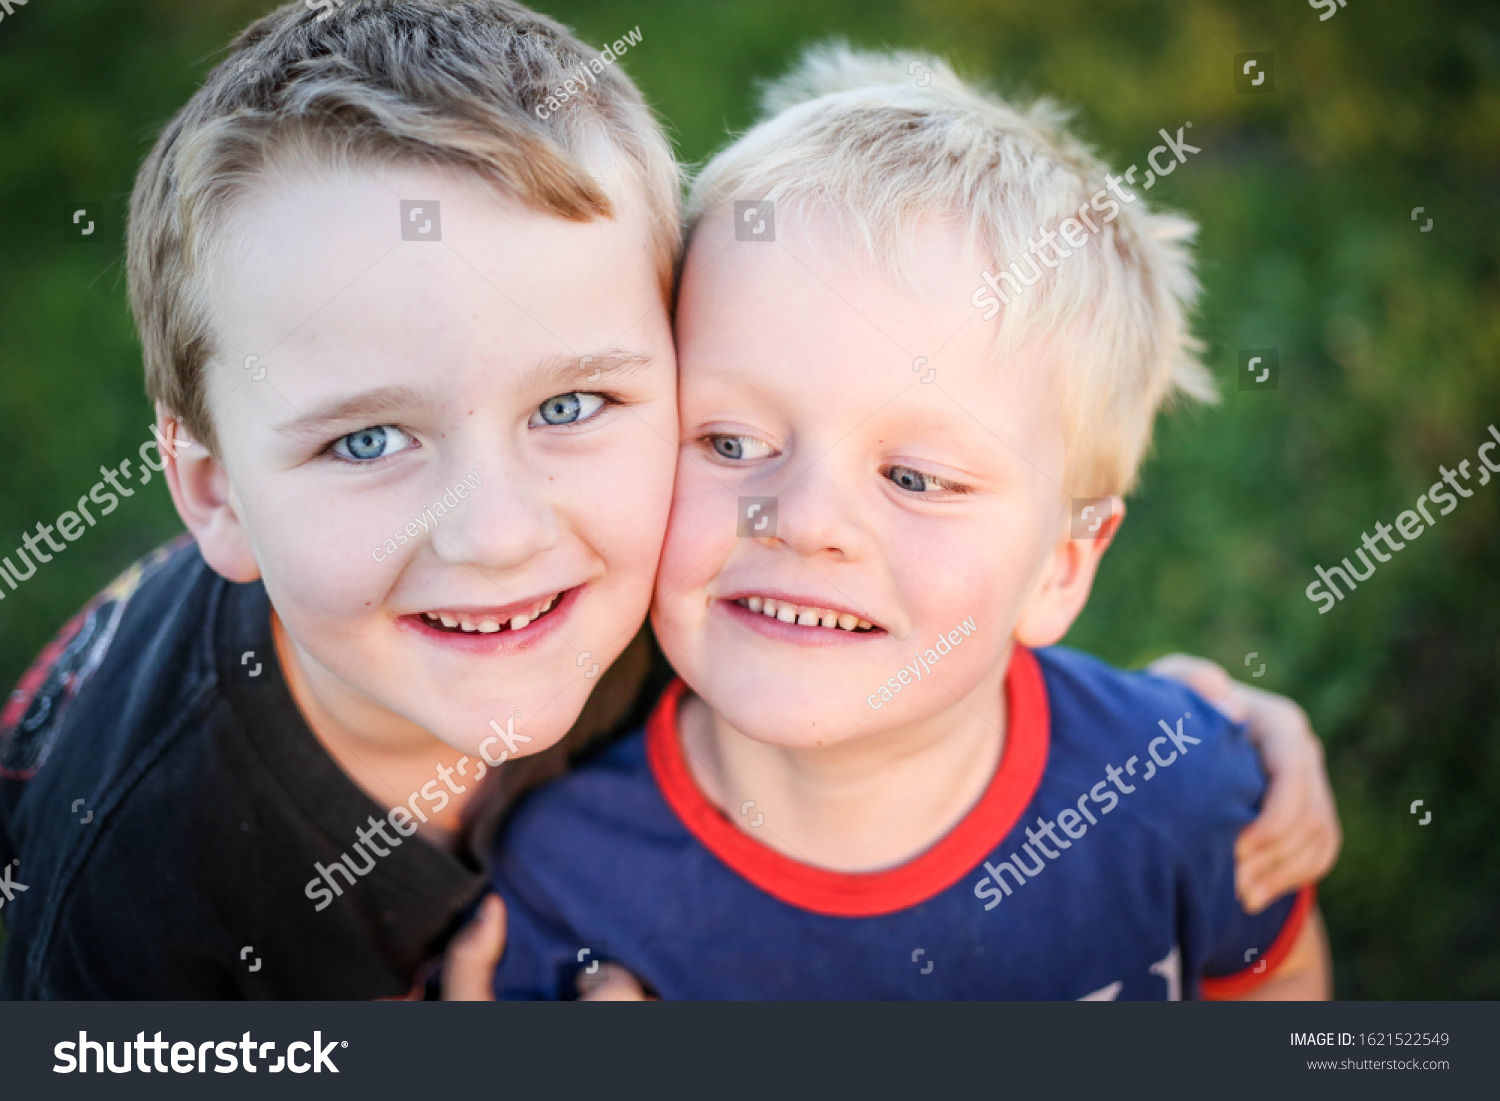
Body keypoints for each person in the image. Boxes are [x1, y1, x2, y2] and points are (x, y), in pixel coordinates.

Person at [1, 4, 1334, 1000]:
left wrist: (1185, 739)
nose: (499, 533)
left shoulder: (690, 580)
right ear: (213, 494)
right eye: (365, 441)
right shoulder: (137, 918)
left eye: (572, 407)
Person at [485, 45, 1333, 1000]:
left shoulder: (1182, 797)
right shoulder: (566, 884)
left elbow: (1276, 976)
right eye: (728, 442)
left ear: (1063, 565)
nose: (804, 521)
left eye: (917, 476)